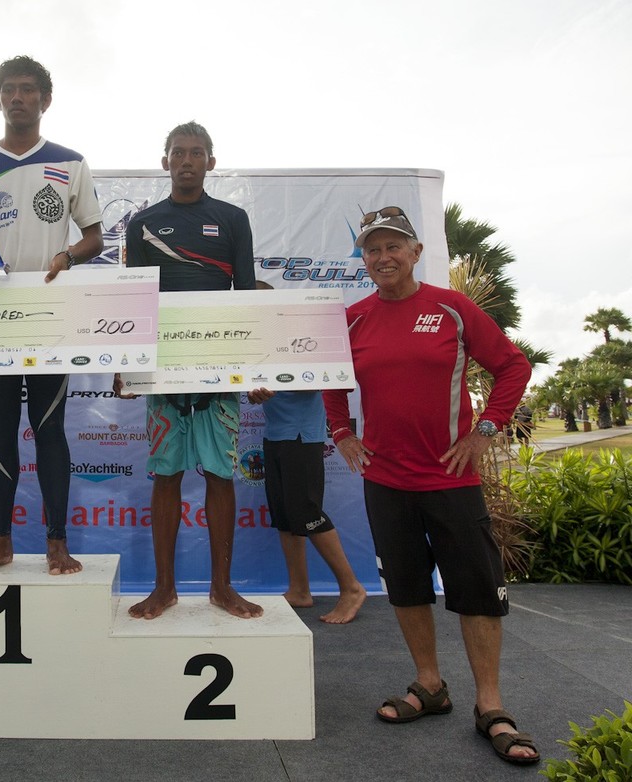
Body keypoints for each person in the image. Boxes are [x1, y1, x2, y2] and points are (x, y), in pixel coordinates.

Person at [323, 206, 538, 765]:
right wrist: (342, 432)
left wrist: (486, 428)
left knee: (474, 589)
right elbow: (330, 381)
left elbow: (513, 366)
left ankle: (490, 706)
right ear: (363, 259)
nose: (383, 257)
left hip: (450, 477)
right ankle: (430, 685)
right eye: (372, 249)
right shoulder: (352, 319)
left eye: (394, 246)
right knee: (407, 586)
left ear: (416, 253)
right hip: (385, 480)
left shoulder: (452, 308)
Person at [0, 55, 103, 576]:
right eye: (9, 89)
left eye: (28, 90)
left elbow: (94, 236)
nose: (18, 97)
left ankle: (57, 543)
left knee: (49, 427)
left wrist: (69, 256)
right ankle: (0, 542)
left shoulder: (71, 162)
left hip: (49, 313)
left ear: (45, 100)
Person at [114, 121, 262, 620]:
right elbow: (135, 301)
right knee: (166, 475)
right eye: (178, 152)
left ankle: (222, 587)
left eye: (196, 153)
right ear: (165, 162)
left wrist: (256, 368)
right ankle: (164, 589)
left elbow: (246, 295)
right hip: (162, 371)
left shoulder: (232, 218)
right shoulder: (143, 224)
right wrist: (126, 366)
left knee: (221, 477)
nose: (186, 160)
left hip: (219, 371)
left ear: (210, 163)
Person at [245, 387, 366, 623]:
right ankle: (299, 590)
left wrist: (278, 383)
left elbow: (323, 379)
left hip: (302, 433)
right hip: (274, 432)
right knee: (284, 516)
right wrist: (255, 392)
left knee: (307, 511)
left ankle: (351, 588)